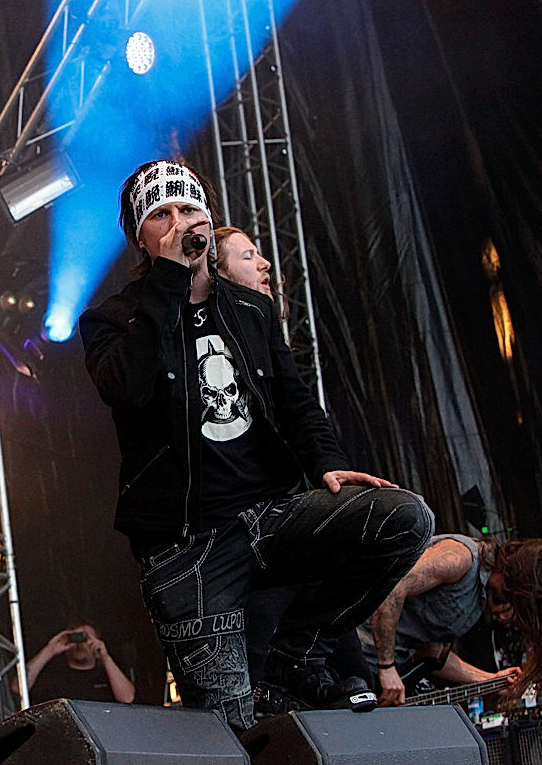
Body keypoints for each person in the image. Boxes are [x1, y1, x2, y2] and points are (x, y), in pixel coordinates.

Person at [77, 160, 434, 730]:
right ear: (139, 238)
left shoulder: (250, 309)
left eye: (189, 209)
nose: (179, 223)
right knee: (232, 731)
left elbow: (296, 405)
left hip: (270, 515)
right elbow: (126, 386)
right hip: (189, 548)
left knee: (404, 518)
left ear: (208, 216)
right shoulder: (112, 320)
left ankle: (297, 653)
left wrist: (328, 467)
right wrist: (169, 282)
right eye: (161, 215)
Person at [360, 535, 542, 708]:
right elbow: (392, 588)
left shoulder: (478, 600)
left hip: (374, 676)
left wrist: (488, 679)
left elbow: (430, 654)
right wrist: (386, 665)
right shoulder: (460, 558)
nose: (508, 617)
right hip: (352, 651)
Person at [25, 625, 136, 704]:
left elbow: (128, 698)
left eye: (86, 638)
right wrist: (49, 650)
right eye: (76, 638)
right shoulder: (54, 675)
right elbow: (19, 688)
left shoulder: (108, 675)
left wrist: (105, 657)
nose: (80, 644)